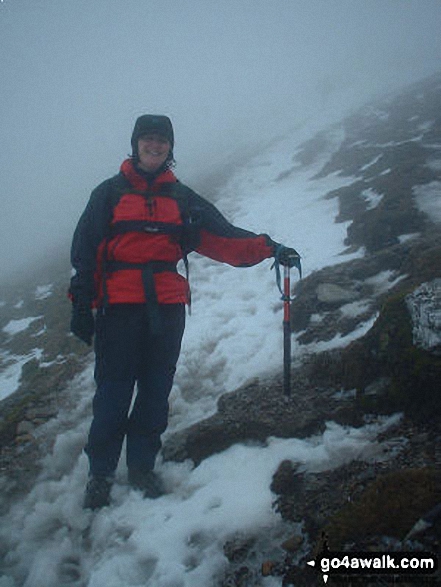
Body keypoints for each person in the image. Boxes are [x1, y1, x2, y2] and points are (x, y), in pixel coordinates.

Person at [69, 115, 300, 510]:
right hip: (119, 308)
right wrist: (82, 307)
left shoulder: (182, 199)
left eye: (162, 141)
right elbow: (84, 254)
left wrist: (271, 248)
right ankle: (101, 475)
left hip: (167, 308)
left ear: (170, 148)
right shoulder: (107, 194)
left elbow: (223, 237)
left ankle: (141, 467)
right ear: (136, 144)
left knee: (156, 392)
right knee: (113, 392)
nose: (154, 146)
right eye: (148, 140)